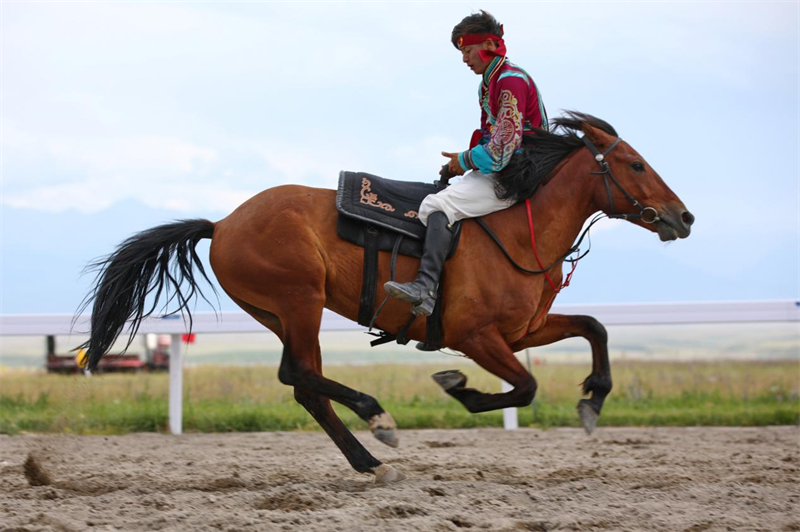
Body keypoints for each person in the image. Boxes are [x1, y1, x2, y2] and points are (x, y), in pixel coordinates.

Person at [384, 10, 548, 316]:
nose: (464, 59)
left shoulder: (510, 82)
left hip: (518, 174)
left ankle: (425, 290)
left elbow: (502, 149)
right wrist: (459, 164)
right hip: (508, 168)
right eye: (462, 52)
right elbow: (495, 140)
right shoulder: (491, 81)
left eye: (467, 51)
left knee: (436, 207)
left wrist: (464, 160)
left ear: (488, 44)